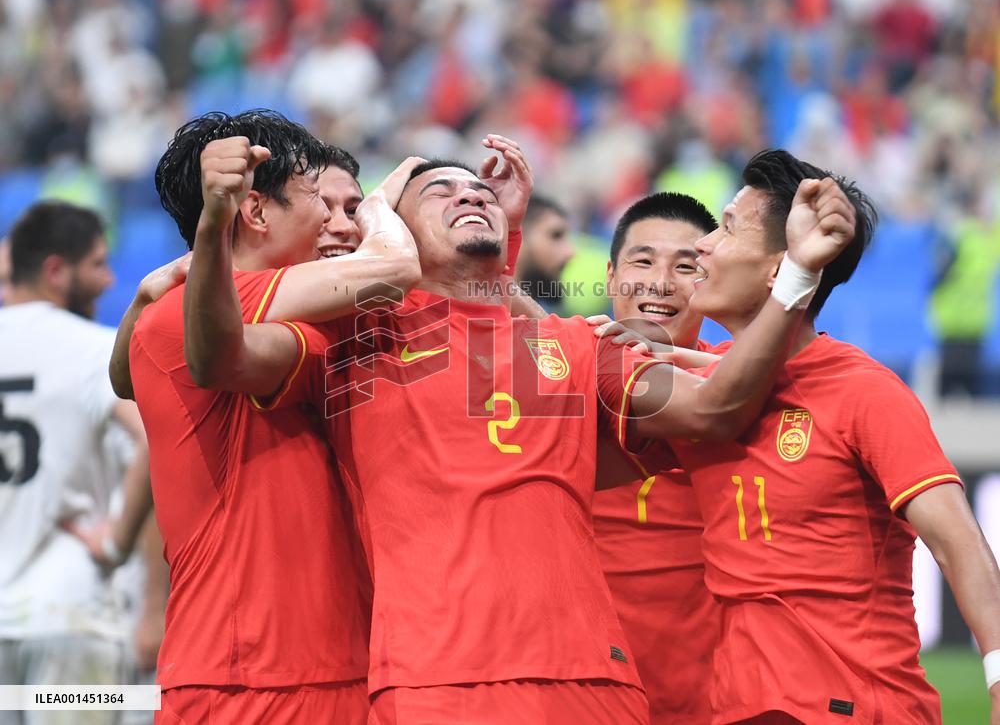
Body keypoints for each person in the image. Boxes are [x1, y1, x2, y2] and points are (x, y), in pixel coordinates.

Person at [182, 148, 857, 723]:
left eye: (478, 190)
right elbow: (218, 358)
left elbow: (712, 411)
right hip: (436, 685)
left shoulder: (567, 344)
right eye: (439, 190)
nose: (467, 194)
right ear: (391, 227)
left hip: (594, 684)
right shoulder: (353, 343)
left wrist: (796, 276)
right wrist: (215, 222)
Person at [660, 149, 1000, 724]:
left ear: (780, 267)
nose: (703, 244)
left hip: (855, 706)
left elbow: (956, 541)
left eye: (726, 227)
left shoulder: (865, 392)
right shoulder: (701, 382)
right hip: (739, 707)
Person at [121, 110, 422, 724]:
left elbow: (122, 376)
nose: (342, 227)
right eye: (325, 204)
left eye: (353, 209)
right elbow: (394, 269)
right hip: (248, 680)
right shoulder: (204, 311)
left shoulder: (307, 326)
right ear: (255, 212)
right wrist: (382, 215)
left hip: (345, 667)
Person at [0, 202, 151, 725]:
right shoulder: (93, 349)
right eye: (98, 264)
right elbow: (155, 439)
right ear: (55, 271)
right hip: (68, 613)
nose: (109, 280)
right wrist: (117, 541)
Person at [590, 192, 721, 725]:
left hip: (712, 700)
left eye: (685, 267)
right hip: (581, 692)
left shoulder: (750, 386)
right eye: (642, 261)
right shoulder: (551, 369)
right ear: (610, 274)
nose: (660, 283)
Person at [513, 194, 576, 313]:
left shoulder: (551, 321)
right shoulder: (478, 321)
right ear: (515, 235)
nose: (570, 252)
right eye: (556, 235)